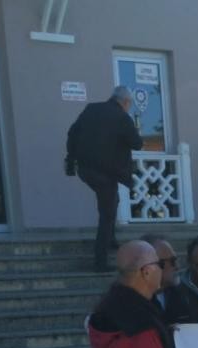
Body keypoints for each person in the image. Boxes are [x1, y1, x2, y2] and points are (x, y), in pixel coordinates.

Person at [66, 86, 142, 272]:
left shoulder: (91, 109)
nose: (128, 107)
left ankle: (111, 240)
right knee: (107, 214)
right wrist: (135, 129)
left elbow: (72, 133)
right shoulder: (123, 118)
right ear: (125, 102)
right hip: (106, 173)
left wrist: (71, 157)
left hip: (86, 170)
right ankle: (100, 261)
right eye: (129, 104)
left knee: (112, 200)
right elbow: (137, 144)